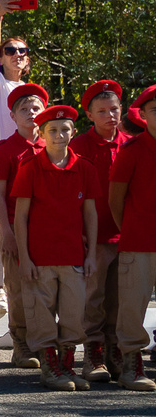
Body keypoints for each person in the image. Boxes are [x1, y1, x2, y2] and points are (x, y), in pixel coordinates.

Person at [12, 104, 96, 389]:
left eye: (65, 130)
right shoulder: (30, 167)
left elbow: (90, 214)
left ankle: (67, 366)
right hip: (40, 257)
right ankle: (50, 368)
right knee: (41, 314)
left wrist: (92, 254)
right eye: (53, 130)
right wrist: (25, 257)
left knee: (74, 314)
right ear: (43, 134)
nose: (59, 135)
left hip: (73, 256)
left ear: (73, 132)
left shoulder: (84, 167)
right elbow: (20, 216)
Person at [0, 81, 50, 369]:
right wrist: (7, 232)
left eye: (36, 107)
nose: (31, 113)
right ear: (12, 116)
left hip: (49, 229)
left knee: (47, 287)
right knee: (18, 287)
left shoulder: (52, 146)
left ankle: (46, 343)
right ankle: (22, 344)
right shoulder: (6, 149)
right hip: (15, 226)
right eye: (23, 109)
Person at [74, 79, 131, 383]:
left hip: (125, 235)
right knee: (93, 297)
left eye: (114, 109)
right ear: (90, 116)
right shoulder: (79, 147)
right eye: (102, 111)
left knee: (120, 299)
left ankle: (115, 351)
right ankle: (93, 354)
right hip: (94, 237)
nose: (110, 116)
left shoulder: (130, 144)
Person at [0, 0, 34, 309]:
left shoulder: (33, 93)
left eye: (22, 51)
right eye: (10, 50)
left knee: (30, 226)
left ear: (28, 60)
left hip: (30, 166)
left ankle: (26, 284)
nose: (16, 55)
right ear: (1, 58)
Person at [102, 84, 156, 390]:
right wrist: (131, 228)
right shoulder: (132, 151)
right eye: (155, 110)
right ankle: (132, 364)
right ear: (144, 115)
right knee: (132, 306)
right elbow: (115, 200)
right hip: (138, 241)